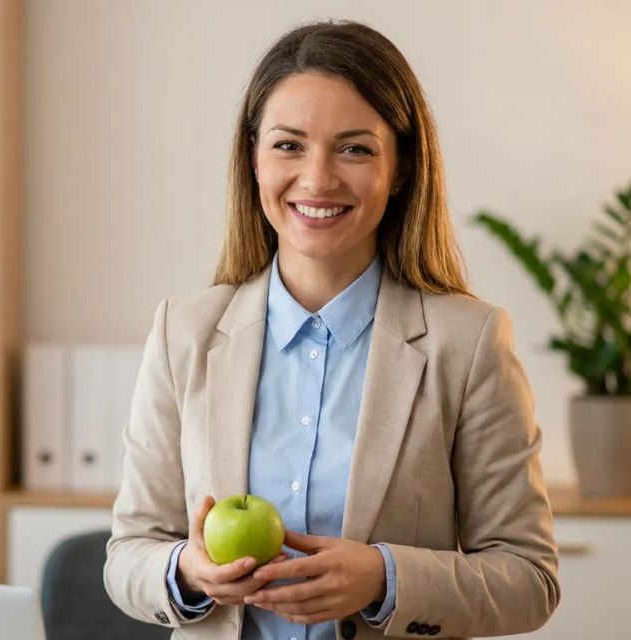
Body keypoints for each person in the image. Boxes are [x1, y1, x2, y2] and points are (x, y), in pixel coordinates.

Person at [103, 20, 560, 640]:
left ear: (400, 169)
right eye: (289, 145)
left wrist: (384, 578)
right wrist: (187, 570)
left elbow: (529, 580)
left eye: (355, 148)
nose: (318, 179)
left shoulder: (469, 342)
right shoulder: (181, 333)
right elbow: (128, 553)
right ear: (254, 160)